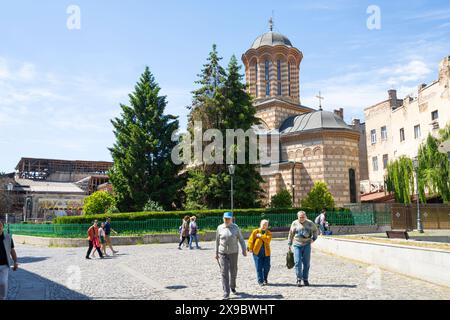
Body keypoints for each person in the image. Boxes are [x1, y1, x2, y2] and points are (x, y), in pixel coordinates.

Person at [215, 212, 247, 300]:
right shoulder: (219, 227)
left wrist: (244, 250)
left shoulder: (235, 227)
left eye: (228, 218)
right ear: (223, 218)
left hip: (233, 253)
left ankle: (232, 286)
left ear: (231, 219)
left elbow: (241, 239)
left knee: (233, 271)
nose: (227, 220)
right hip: (223, 253)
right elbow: (217, 241)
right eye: (225, 218)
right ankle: (226, 292)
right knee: (224, 272)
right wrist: (216, 253)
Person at [288, 211, 318, 287]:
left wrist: (313, 239)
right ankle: (298, 279)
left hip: (307, 244)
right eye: (300, 217)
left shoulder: (310, 223)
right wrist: (289, 243)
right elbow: (291, 233)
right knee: (297, 262)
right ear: (297, 217)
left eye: (303, 217)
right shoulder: (294, 223)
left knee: (306, 263)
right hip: (297, 245)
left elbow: (315, 231)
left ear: (305, 216)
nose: (301, 218)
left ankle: (305, 279)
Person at [248, 219, 272, 286]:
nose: (264, 226)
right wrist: (249, 248)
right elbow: (251, 240)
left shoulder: (269, 233)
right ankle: (260, 281)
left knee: (267, 266)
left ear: (267, 226)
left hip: (266, 253)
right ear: (260, 224)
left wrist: (261, 236)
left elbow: (268, 240)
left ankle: (265, 278)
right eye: (263, 224)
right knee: (259, 267)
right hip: (257, 252)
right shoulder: (255, 231)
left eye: (266, 225)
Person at [0, 220, 18, 300]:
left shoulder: (8, 237)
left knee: (3, 283)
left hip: (4, 265)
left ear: (3, 227)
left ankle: (3, 297)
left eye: (0, 226)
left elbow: (12, 250)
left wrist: (15, 261)